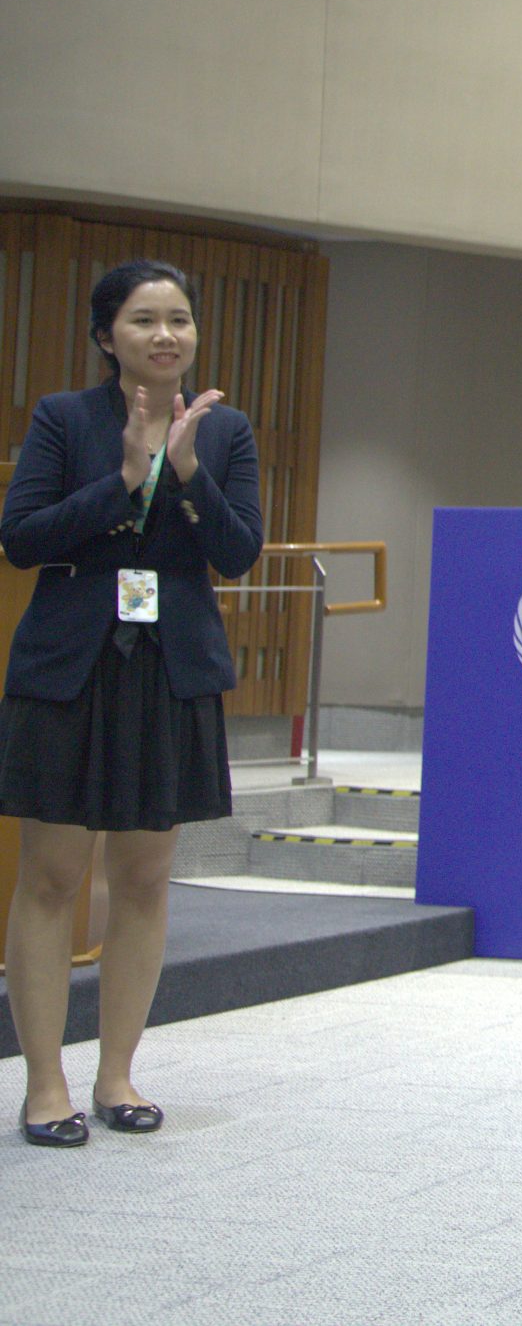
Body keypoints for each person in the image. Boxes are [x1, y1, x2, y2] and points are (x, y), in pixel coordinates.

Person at [1, 259, 263, 1147]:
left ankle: (117, 1075)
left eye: (179, 319)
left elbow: (239, 552)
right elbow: (21, 538)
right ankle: (45, 1084)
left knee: (145, 878)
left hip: (169, 665)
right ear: (105, 335)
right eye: (144, 319)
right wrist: (121, 475)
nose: (165, 334)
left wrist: (185, 470)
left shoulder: (223, 430)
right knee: (51, 875)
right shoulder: (64, 417)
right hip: (71, 665)